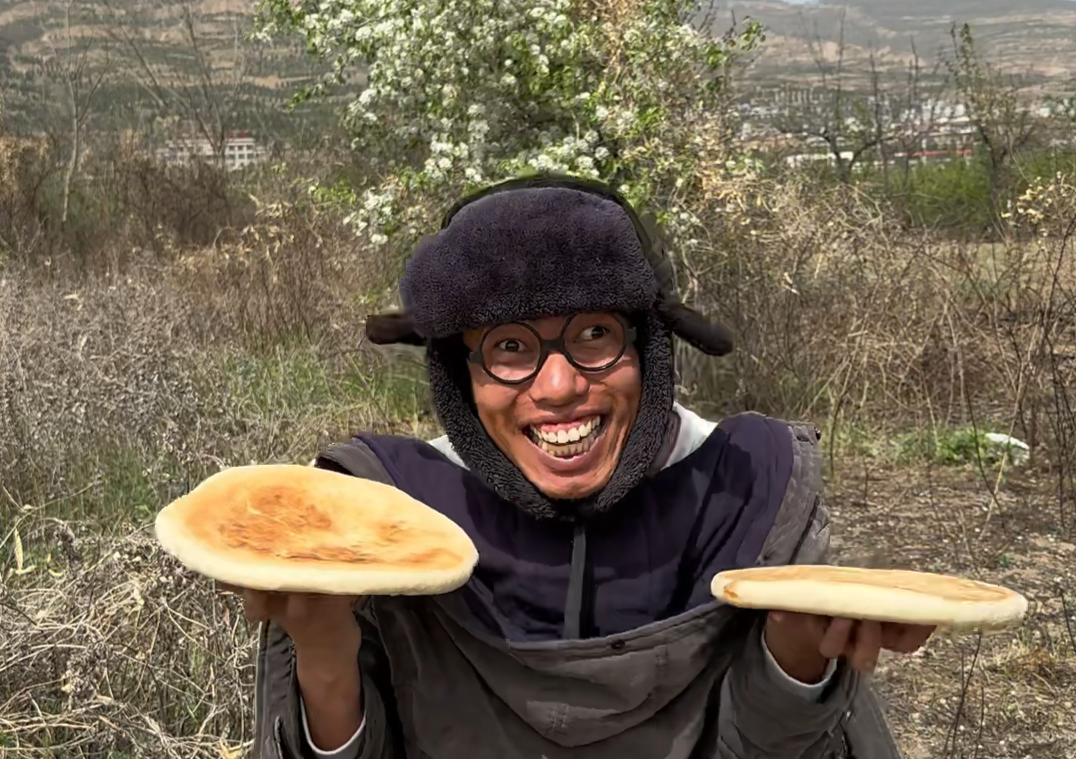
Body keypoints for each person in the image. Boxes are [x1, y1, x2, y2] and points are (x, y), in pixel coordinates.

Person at [224, 175, 933, 759]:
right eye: (508, 347)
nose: (559, 386)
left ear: (649, 350)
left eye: (596, 333)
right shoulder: (385, 514)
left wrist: (796, 656)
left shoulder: (749, 488)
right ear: (460, 377)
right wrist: (324, 651)